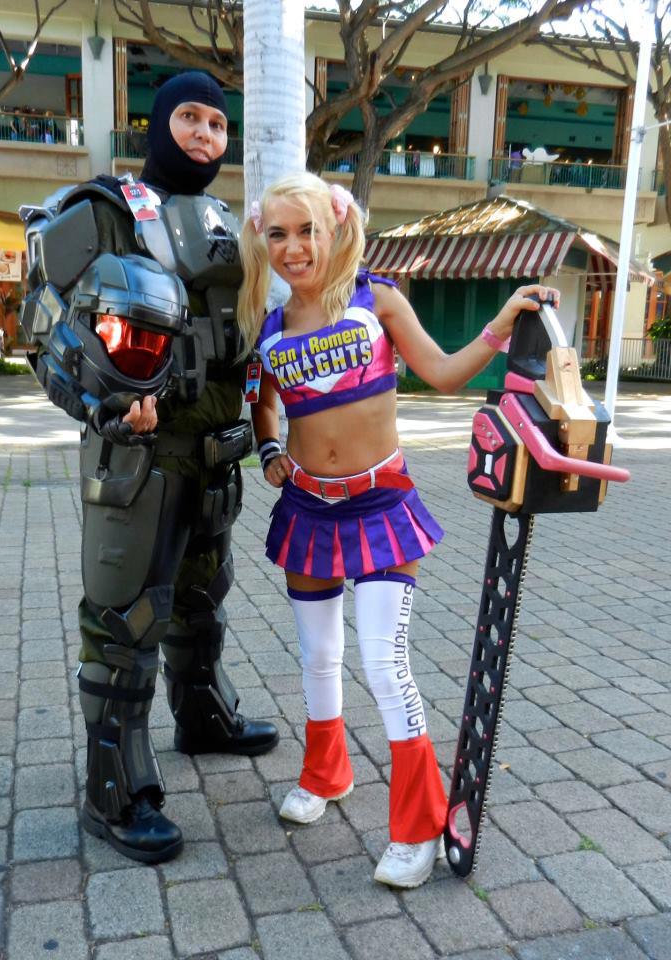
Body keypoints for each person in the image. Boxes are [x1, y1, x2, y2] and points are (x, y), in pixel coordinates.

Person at [238, 172, 560, 889]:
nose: (294, 247)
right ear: (263, 239)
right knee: (319, 657)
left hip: (381, 505)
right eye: (278, 233)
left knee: (384, 664)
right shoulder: (269, 323)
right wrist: (269, 447)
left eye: (308, 230)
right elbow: (262, 401)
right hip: (308, 510)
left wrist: (500, 326)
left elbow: (443, 373)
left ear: (336, 228)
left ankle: (418, 827)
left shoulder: (375, 298)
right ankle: (326, 773)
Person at [20, 72, 278, 864]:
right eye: (189, 118)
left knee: (202, 594)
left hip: (216, 449)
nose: (204, 134)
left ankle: (202, 716)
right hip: (138, 451)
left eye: (217, 124)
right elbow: (44, 320)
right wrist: (100, 406)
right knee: (127, 614)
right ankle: (113, 789)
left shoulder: (230, 224)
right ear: (159, 124)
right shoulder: (105, 208)